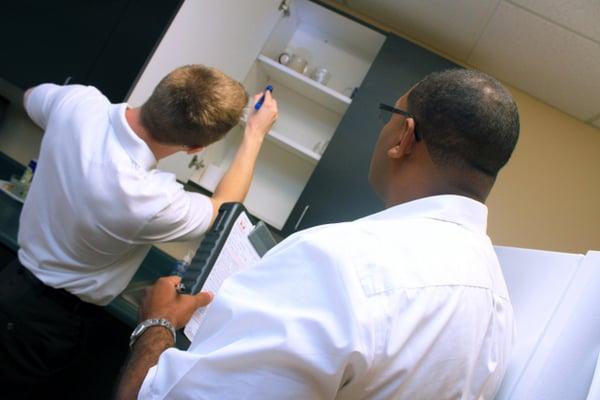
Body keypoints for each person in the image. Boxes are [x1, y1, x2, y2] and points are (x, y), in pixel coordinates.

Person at [116, 68, 519, 399]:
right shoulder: (497, 305)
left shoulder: (339, 262)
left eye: (388, 116)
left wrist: (158, 325)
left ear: (404, 138)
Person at [0, 65, 277, 395]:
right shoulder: (149, 199)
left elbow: (32, 97)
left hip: (11, 281)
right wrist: (255, 134)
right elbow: (224, 208)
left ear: (160, 91)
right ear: (195, 148)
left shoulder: (79, 102)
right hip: (46, 325)